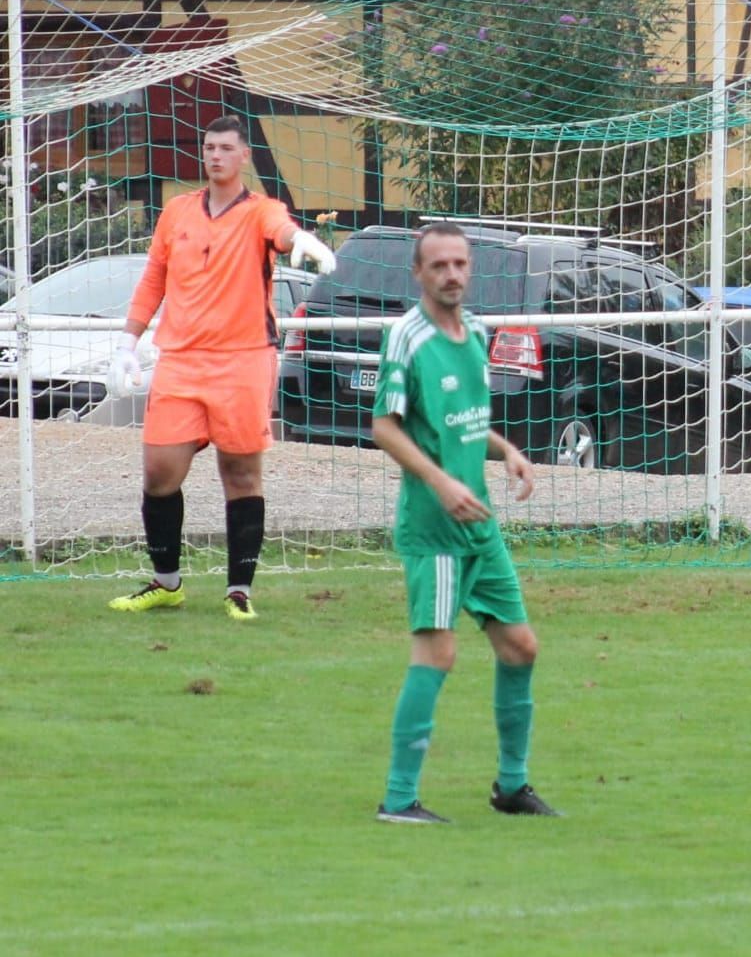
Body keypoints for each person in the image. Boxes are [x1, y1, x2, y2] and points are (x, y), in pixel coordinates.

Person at [107, 114, 336, 620]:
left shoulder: (261, 211)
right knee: (159, 471)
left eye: (226, 148)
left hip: (243, 361)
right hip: (181, 361)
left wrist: (298, 242)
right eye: (209, 147)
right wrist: (128, 341)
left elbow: (279, 230)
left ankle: (239, 591)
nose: (215, 155)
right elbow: (154, 280)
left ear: (243, 156)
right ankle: (166, 583)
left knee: (240, 472)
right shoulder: (176, 212)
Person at [371, 221, 559, 824]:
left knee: (520, 646)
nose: (452, 274)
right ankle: (398, 799)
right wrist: (441, 482)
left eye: (460, 264)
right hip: (436, 529)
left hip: (480, 526)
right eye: (439, 266)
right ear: (419, 273)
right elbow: (384, 427)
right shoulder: (406, 336)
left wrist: (506, 451)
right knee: (437, 654)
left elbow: (465, 426)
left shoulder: (478, 332)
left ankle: (512, 786)